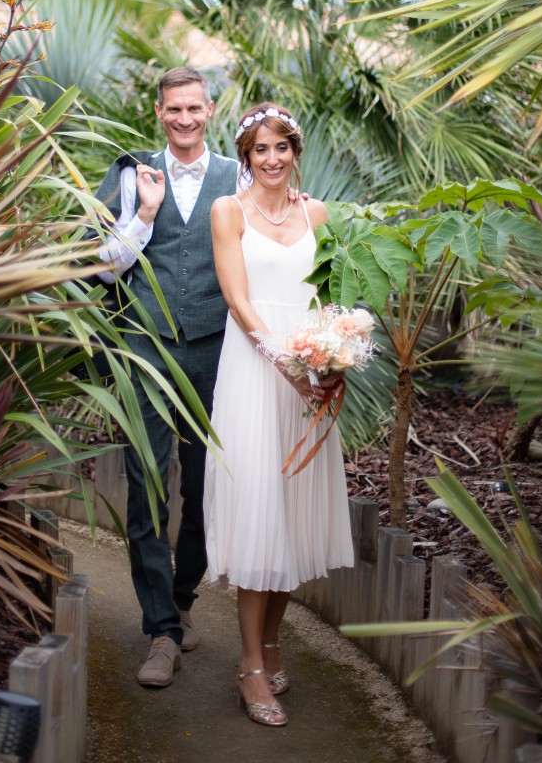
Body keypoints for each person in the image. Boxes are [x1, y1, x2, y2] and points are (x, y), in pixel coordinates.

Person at [204, 103, 354, 727]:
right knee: (260, 511)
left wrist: (332, 358)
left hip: (311, 374)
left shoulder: (317, 213)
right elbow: (239, 303)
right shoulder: (228, 212)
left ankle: (272, 641)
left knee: (292, 514)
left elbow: (328, 297)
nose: (271, 160)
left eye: (281, 149)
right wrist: (290, 370)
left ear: (295, 151)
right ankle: (248, 665)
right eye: (259, 150)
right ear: (245, 156)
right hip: (256, 372)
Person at [94, 67, 239, 687]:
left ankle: (182, 600)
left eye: (194, 109)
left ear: (210, 109)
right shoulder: (131, 174)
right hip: (143, 346)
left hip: (216, 349)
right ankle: (160, 632)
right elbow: (100, 268)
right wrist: (145, 215)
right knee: (146, 482)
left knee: (206, 488)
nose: (184, 119)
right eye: (173, 110)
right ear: (159, 112)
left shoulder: (240, 175)